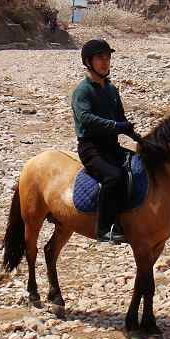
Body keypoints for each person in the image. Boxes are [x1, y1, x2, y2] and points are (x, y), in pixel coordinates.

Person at [71, 39, 136, 244]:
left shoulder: (111, 89)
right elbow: (87, 120)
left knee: (139, 166)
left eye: (108, 57)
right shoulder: (83, 90)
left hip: (111, 146)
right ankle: (104, 228)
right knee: (114, 176)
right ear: (89, 61)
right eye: (100, 58)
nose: (105, 62)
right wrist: (117, 127)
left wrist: (138, 137)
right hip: (91, 149)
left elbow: (120, 119)